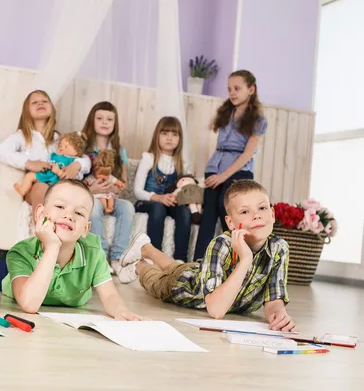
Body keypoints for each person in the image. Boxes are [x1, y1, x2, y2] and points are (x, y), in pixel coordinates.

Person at [118, 180, 296, 332]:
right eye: (244, 212)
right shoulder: (221, 244)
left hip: (196, 271)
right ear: (230, 223)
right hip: (182, 287)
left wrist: (278, 315)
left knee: (178, 268)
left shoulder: (279, 248)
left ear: (272, 214)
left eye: (262, 208)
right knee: (159, 279)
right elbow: (216, 310)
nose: (256, 216)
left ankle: (146, 247)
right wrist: (246, 259)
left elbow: (274, 299)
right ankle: (139, 265)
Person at [0, 179, 142, 321]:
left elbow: (110, 296)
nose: (69, 215)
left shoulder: (93, 252)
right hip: (14, 277)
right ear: (40, 214)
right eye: (60, 207)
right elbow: (29, 304)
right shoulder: (21, 252)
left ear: (86, 229)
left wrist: (122, 312)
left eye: (78, 213)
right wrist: (52, 247)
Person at [194, 70, 268, 260]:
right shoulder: (226, 113)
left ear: (251, 89)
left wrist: (223, 176)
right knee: (208, 213)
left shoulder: (258, 121)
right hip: (215, 167)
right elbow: (221, 146)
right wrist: (214, 172)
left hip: (238, 171)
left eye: (237, 88)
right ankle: (199, 261)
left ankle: (239, 258)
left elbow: (247, 154)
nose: (232, 93)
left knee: (226, 208)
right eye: (229, 89)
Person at [0, 90, 91, 214]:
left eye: (45, 101)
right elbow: (0, 152)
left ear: (52, 108)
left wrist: (77, 165)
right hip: (36, 187)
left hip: (58, 187)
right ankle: (43, 229)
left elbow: (85, 158)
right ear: (26, 110)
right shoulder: (22, 136)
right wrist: (29, 163)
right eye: (34, 102)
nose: (40, 103)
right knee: (41, 188)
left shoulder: (59, 139)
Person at [81, 101, 135, 277]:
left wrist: (115, 187)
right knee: (94, 208)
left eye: (109, 119)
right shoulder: (84, 147)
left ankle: (118, 258)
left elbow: (124, 183)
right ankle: (100, 256)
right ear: (92, 120)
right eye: (100, 118)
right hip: (90, 195)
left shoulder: (119, 150)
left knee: (127, 207)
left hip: (110, 195)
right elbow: (76, 179)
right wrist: (91, 189)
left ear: (115, 123)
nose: (105, 122)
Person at [133, 116, 192, 261]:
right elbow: (137, 191)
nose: (169, 138)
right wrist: (158, 198)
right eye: (165, 133)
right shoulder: (149, 158)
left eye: (174, 134)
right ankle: (155, 256)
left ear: (180, 138)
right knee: (158, 208)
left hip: (170, 203)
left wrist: (176, 198)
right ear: (157, 136)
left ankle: (180, 259)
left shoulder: (182, 164)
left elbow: (185, 189)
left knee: (184, 211)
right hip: (147, 202)